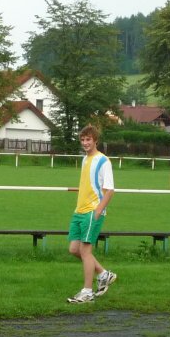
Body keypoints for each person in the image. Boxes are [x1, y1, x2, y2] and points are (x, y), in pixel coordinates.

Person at [66, 124, 116, 304]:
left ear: (96, 141)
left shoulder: (103, 161)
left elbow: (110, 190)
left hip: (92, 212)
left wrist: (98, 211)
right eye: (82, 140)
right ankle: (103, 274)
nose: (85, 143)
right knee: (74, 249)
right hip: (79, 211)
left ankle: (87, 292)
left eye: (88, 139)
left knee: (85, 251)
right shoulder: (85, 160)